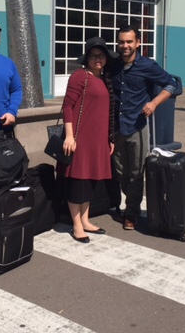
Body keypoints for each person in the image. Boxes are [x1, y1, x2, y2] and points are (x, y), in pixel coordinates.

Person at [110, 24, 177, 231]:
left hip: (137, 126)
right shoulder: (113, 65)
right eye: (122, 42)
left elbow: (171, 84)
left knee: (136, 172)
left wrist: (154, 103)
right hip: (116, 127)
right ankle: (130, 203)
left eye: (129, 42)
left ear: (138, 43)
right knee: (120, 172)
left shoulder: (148, 65)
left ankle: (131, 212)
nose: (125, 45)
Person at [58, 37, 118, 243]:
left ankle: (85, 220)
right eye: (93, 56)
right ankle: (76, 225)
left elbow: (107, 112)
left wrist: (110, 138)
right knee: (78, 182)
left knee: (91, 180)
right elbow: (67, 106)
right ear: (87, 58)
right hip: (80, 138)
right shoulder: (80, 76)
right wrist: (69, 136)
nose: (97, 59)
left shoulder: (103, 79)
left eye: (101, 56)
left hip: (98, 140)